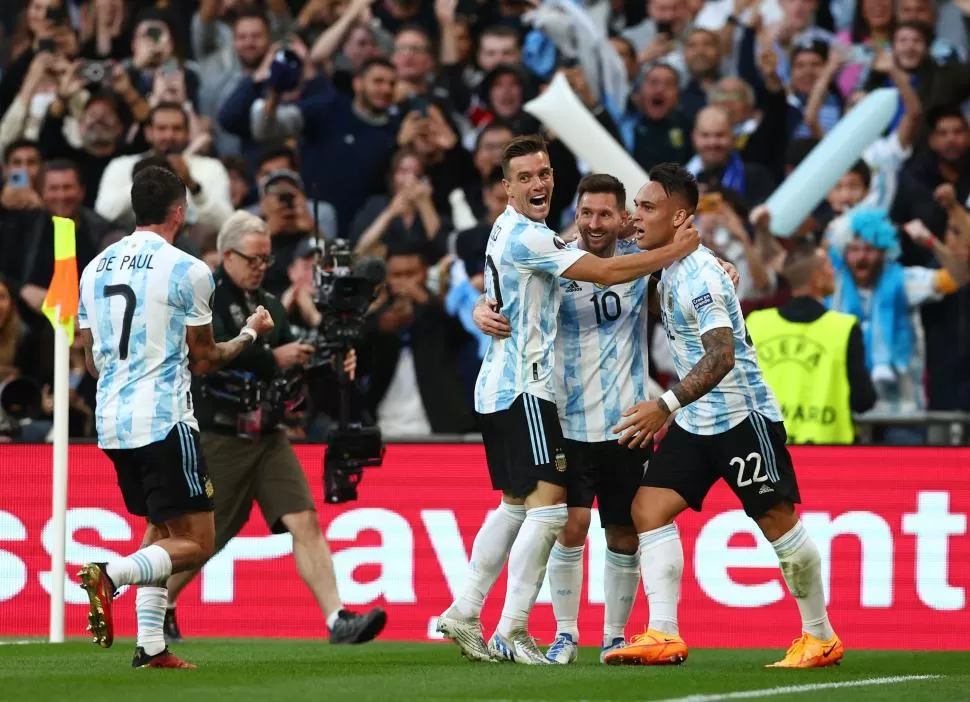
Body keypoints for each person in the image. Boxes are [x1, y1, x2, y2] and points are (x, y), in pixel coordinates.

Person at [435, 136, 700, 665]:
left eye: (544, 173)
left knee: (523, 507)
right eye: (526, 177)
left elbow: (511, 289)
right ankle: (517, 628)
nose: (538, 184)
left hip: (605, 414)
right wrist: (480, 312)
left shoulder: (550, 242)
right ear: (506, 186)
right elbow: (594, 272)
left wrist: (700, 258)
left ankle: (467, 611)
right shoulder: (546, 244)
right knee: (554, 517)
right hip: (534, 395)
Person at [604, 162, 843, 669]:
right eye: (637, 206)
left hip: (739, 415)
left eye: (647, 208)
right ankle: (663, 633)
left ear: (680, 217)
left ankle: (820, 636)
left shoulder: (699, 278)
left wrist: (663, 407)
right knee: (648, 509)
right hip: (697, 420)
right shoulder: (671, 259)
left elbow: (722, 356)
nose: (636, 216)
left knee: (776, 521)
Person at [76, 166, 275, 669]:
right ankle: (112, 575)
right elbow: (205, 358)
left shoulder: (94, 268)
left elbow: (89, 360)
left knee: (161, 530)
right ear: (180, 212)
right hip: (164, 420)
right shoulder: (188, 269)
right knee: (196, 543)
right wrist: (251, 333)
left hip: (112, 422)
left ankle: (150, 647)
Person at [162, 211, 387, 646]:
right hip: (220, 433)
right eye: (253, 259)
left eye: (267, 260)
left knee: (305, 520)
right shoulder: (204, 295)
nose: (262, 267)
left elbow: (289, 369)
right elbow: (205, 357)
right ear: (227, 255)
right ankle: (158, 605)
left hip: (268, 434)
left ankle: (338, 619)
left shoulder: (267, 302)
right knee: (205, 538)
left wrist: (329, 363)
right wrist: (272, 357)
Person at [746, 239, 877, 443]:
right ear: (817, 278)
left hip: (767, 449)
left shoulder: (756, 323)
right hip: (828, 452)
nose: (833, 272)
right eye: (828, 266)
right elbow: (863, 400)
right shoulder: (843, 327)